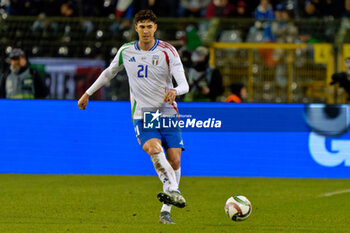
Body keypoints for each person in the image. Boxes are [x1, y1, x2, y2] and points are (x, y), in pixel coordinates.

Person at [77, 10, 189, 224]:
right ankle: (173, 190)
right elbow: (109, 72)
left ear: (155, 28)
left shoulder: (168, 51)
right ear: (135, 28)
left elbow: (184, 83)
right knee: (154, 149)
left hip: (167, 113)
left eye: (149, 26)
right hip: (143, 114)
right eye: (142, 26)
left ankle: (166, 210)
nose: (145, 30)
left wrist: (176, 90)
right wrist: (88, 93)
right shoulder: (126, 51)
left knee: (174, 160)